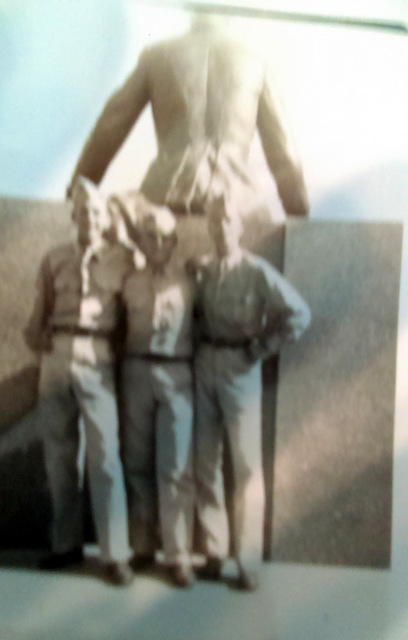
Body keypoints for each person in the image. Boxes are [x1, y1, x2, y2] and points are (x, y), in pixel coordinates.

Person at [68, 14, 309, 220]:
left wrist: (75, 196)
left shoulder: (157, 55)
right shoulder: (256, 62)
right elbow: (284, 151)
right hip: (238, 200)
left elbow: (110, 124)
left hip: (166, 196)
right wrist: (300, 219)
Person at [192, 188, 311, 591]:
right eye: (214, 219)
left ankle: (247, 561)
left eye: (228, 219)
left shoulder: (256, 271)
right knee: (205, 462)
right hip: (204, 363)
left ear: (240, 225)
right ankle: (213, 551)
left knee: (245, 466)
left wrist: (261, 347)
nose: (221, 226)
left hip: (240, 368)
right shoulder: (202, 270)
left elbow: (299, 313)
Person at [24, 177, 134, 586]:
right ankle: (65, 544)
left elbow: (135, 312)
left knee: (105, 455)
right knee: (59, 454)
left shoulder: (125, 260)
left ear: (106, 219)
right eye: (83, 211)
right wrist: (41, 342)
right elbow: (37, 316)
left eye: (97, 211)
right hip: (57, 356)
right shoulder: (54, 258)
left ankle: (114, 553)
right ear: (74, 215)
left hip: (97, 354)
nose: (90, 217)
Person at [118, 201, 196, 588]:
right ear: (142, 240)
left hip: (176, 373)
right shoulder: (128, 282)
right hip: (135, 372)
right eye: (151, 236)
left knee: (176, 466)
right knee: (136, 462)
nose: (159, 243)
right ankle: (143, 546)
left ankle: (178, 554)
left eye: (166, 237)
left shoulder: (192, 280)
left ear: (175, 241)